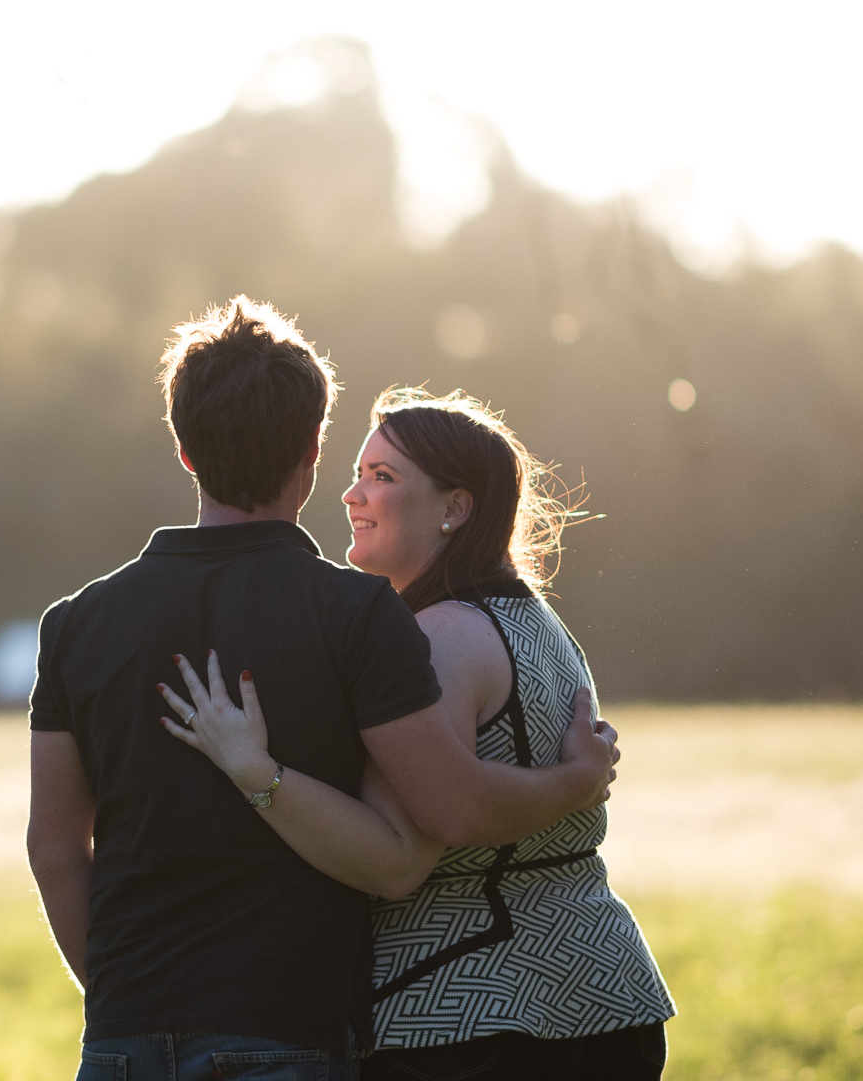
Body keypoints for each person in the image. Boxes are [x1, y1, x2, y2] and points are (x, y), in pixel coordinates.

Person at [27, 302, 620, 1081]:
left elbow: (55, 846)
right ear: (312, 449)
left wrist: (114, 996)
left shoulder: (76, 624)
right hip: (287, 1032)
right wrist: (574, 784)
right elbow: (419, 838)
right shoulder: (356, 614)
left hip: (122, 1038)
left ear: (182, 449)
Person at [161, 388, 674, 1078]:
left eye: (383, 478)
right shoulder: (540, 623)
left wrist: (257, 771)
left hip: (476, 1012)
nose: (352, 496)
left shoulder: (435, 635)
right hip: (606, 991)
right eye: (356, 473)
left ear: (455, 509)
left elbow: (448, 810)